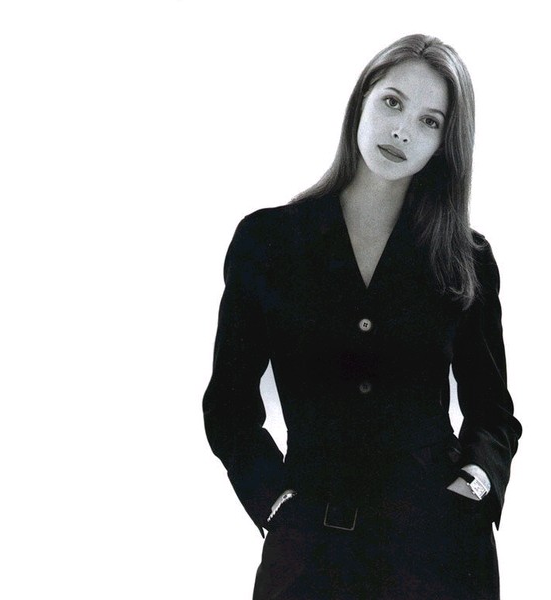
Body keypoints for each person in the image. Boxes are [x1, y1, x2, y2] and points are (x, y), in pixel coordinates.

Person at [203, 33, 522, 600]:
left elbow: (492, 410)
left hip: (441, 553)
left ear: (444, 144)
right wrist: (274, 503)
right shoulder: (267, 242)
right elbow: (228, 404)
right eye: (393, 102)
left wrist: (475, 486)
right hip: (308, 555)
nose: (402, 130)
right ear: (362, 101)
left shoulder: (467, 259)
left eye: (429, 121)